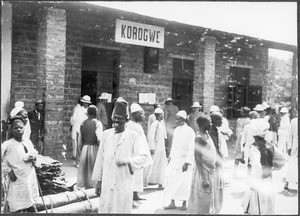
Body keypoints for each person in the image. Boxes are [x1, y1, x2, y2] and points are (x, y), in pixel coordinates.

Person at [91, 98, 148, 213]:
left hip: (124, 180)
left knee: (121, 208)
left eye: (120, 118)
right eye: (115, 118)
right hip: (107, 180)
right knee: (106, 207)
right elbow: (100, 159)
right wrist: (98, 181)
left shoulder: (133, 136)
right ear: (112, 118)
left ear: (126, 120)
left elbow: (143, 157)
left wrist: (128, 161)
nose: (117, 121)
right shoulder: (106, 135)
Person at [242, 120, 286, 214]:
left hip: (258, 181)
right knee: (267, 208)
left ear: (254, 134)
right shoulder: (271, 146)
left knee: (257, 208)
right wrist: (273, 166)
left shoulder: (254, 147)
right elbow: (282, 159)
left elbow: (257, 167)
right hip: (268, 180)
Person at [1, 116, 39, 213]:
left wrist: (34, 158)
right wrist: (8, 171)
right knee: (17, 203)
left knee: (29, 199)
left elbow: (34, 152)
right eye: (16, 128)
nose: (18, 129)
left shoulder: (27, 141)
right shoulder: (7, 145)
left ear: (24, 129)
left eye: (20, 127)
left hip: (28, 176)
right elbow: (2, 160)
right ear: (11, 130)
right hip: (16, 178)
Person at [163, 110, 195, 210]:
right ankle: (172, 202)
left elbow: (191, 147)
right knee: (172, 180)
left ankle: (185, 203)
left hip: (184, 160)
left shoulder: (190, 131)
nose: (176, 121)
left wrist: (187, 162)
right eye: (176, 119)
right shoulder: (176, 130)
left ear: (183, 119)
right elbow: (174, 145)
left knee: (184, 182)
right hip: (175, 160)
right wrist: (170, 157)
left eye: (178, 119)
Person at [188, 115, 217, 214]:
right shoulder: (199, 137)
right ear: (202, 124)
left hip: (210, 170)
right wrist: (204, 178)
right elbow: (197, 158)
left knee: (208, 199)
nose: (211, 124)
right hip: (202, 172)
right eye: (209, 122)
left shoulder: (207, 134)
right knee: (201, 198)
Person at [126, 103, 152, 202]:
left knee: (138, 174)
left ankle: (136, 193)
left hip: (139, 153)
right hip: (134, 154)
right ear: (134, 115)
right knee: (134, 174)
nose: (142, 116)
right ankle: (132, 194)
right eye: (140, 114)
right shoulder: (132, 126)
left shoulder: (137, 125)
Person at [76, 105, 103, 189]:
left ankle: (86, 185)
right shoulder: (97, 123)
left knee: (85, 168)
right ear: (96, 113)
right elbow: (99, 137)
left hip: (85, 148)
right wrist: (102, 147)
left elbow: (80, 139)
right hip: (94, 147)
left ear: (87, 113)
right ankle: (92, 186)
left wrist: (80, 150)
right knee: (93, 167)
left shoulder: (83, 123)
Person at [208, 111, 224, 214]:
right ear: (214, 121)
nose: (222, 121)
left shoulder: (215, 130)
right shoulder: (210, 131)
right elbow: (213, 148)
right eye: (219, 120)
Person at [147, 107, 167, 190]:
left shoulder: (160, 123)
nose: (163, 116)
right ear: (160, 115)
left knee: (160, 165)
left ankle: (160, 183)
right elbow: (150, 136)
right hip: (156, 147)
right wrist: (152, 147)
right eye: (162, 115)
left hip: (161, 147)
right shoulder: (155, 123)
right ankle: (152, 181)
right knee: (154, 164)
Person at [70, 95, 91, 166]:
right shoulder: (78, 109)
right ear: (82, 102)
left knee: (85, 146)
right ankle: (78, 162)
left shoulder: (89, 110)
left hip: (86, 129)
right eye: (84, 102)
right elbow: (73, 119)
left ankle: (84, 163)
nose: (86, 104)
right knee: (78, 146)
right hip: (78, 129)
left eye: (87, 103)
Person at [233, 106, 251, 177]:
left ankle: (234, 171)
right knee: (248, 155)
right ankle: (248, 174)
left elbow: (238, 131)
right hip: (247, 138)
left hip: (240, 137)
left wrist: (237, 138)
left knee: (238, 155)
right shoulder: (250, 120)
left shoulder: (239, 120)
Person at [284, 113, 298, 190]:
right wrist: (289, 147)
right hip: (295, 147)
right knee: (292, 163)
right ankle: (287, 182)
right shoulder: (294, 121)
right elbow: (289, 135)